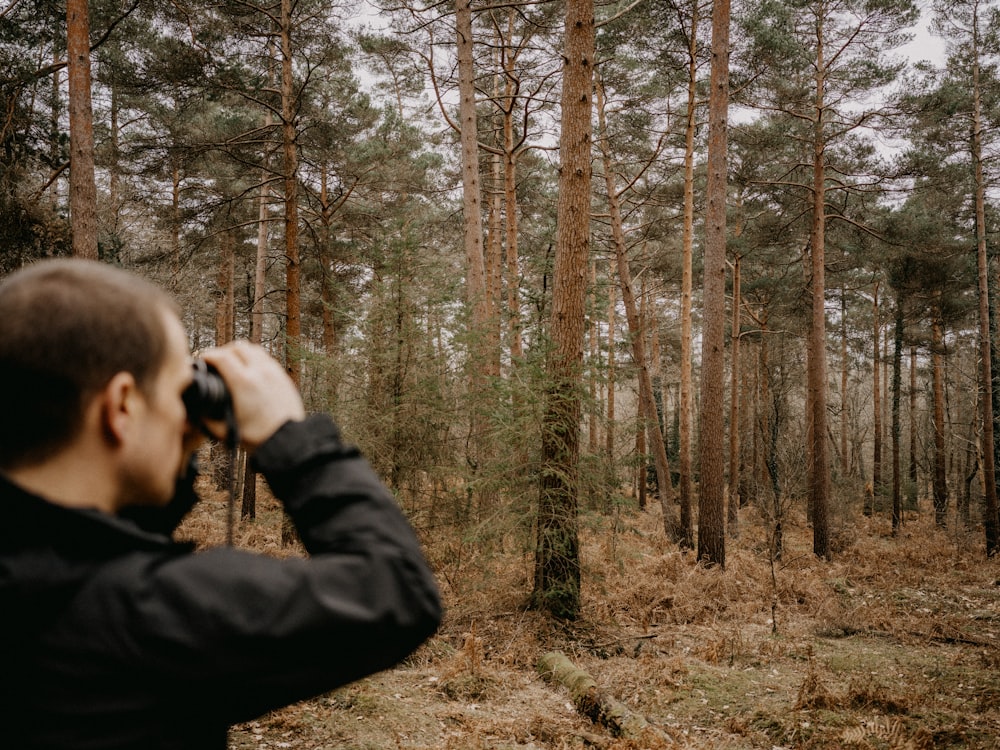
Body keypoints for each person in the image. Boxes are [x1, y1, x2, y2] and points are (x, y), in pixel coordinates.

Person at [0, 258, 442, 750]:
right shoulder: (144, 616)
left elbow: (90, 538)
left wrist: (168, 445)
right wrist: (289, 438)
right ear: (122, 405)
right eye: (178, 391)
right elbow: (397, 590)